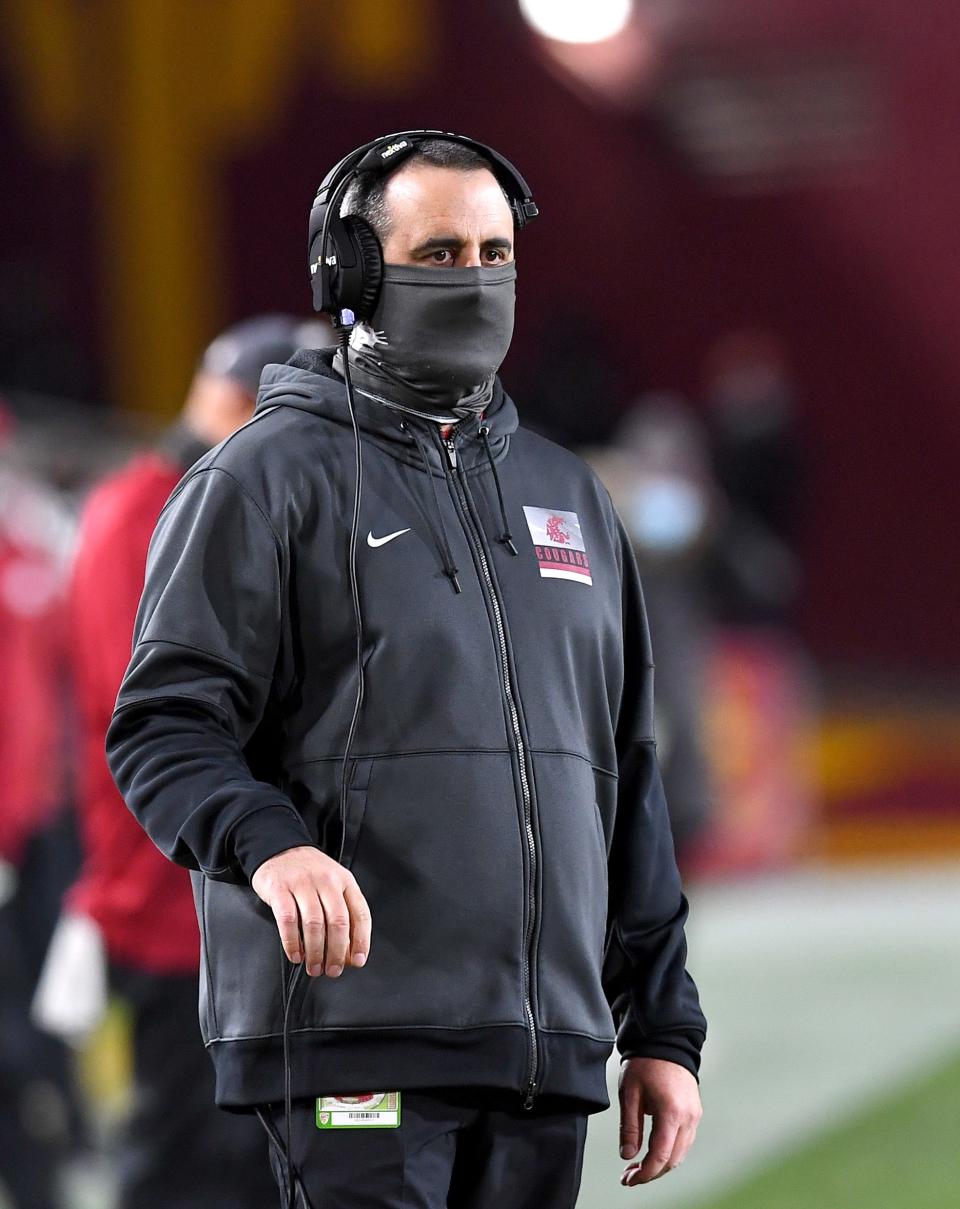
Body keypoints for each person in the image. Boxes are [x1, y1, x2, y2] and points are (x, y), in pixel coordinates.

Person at [106, 133, 707, 1208]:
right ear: (353, 273)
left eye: (493, 252)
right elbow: (162, 727)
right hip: (354, 1044)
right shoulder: (260, 482)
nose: (474, 280)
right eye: (439, 254)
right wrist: (268, 846)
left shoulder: (569, 494)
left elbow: (623, 774)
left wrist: (661, 1024)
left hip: (539, 1057)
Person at [46, 316, 329, 1209]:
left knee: (253, 1160)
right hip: (176, 897)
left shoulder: (185, 499)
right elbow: (165, 712)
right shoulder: (146, 511)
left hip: (224, 898)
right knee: (182, 1159)